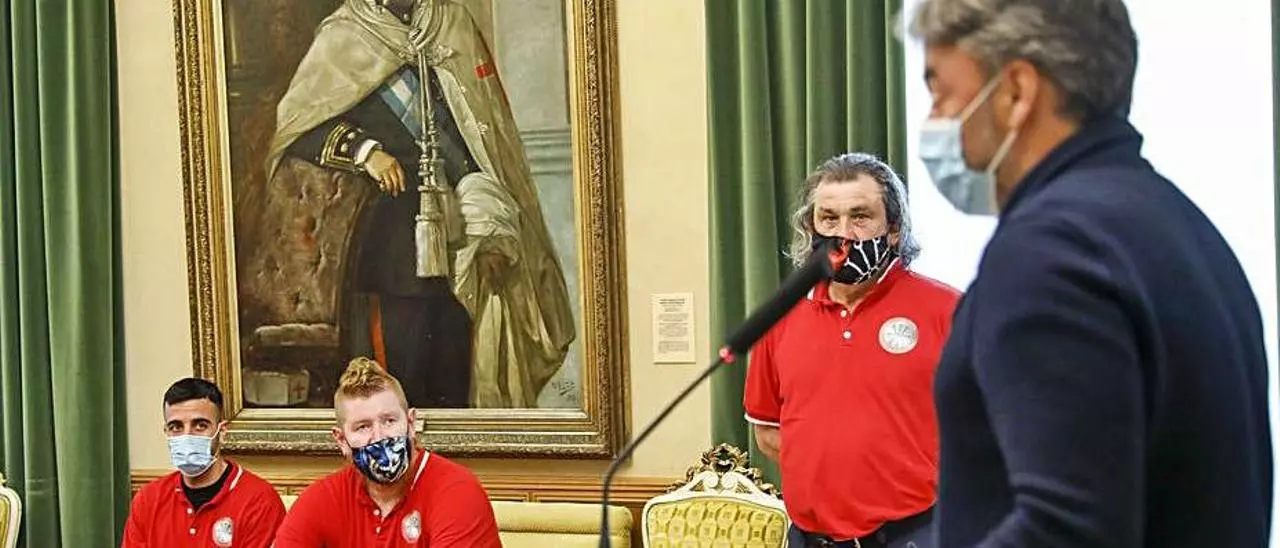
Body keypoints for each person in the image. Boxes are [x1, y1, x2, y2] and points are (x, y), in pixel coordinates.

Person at [908, 1, 1274, 546]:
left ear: (1016, 92)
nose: (935, 120)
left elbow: (1067, 529)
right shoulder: (1180, 226)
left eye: (941, 92)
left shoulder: (1048, 250)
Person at [263, 0, 575, 408]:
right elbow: (296, 127)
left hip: (467, 236)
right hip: (395, 251)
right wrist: (364, 152)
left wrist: (491, 223)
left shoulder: (452, 23)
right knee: (403, 389)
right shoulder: (344, 34)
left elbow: (485, 136)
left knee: (460, 386)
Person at [744, 153, 961, 548]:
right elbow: (768, 432)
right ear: (810, 227)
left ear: (893, 229)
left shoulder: (949, 310)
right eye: (828, 218)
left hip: (916, 534)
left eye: (860, 217)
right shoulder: (778, 316)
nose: (843, 233)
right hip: (810, 538)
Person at [272, 357, 501, 547]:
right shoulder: (322, 499)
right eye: (363, 427)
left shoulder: (457, 491)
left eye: (389, 421)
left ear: (411, 423)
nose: (380, 436)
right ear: (341, 440)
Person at [122, 378, 285, 547]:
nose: (187, 436)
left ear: (221, 431)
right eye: (176, 427)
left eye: (200, 425)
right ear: (166, 432)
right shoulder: (148, 499)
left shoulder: (259, 501)